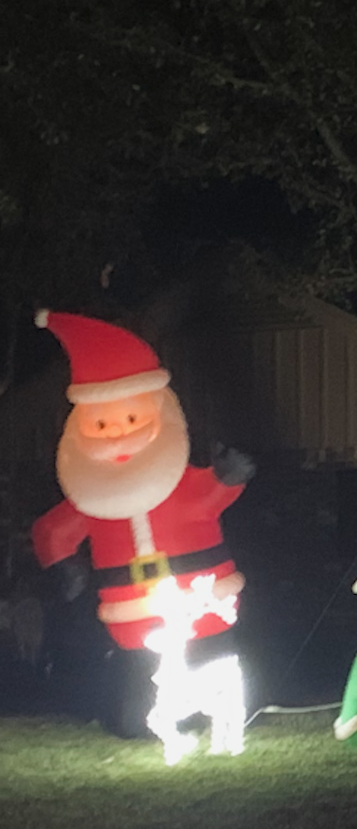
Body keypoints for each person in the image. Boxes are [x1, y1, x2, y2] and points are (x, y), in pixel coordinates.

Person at [28, 311, 254, 736]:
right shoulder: (90, 498)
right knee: (142, 677)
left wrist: (229, 474)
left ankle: (210, 711)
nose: (117, 435)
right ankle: (141, 718)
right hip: (133, 616)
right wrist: (62, 565)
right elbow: (52, 530)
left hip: (202, 601)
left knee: (210, 664)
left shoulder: (181, 483)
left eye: (131, 420)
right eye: (100, 424)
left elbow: (209, 495)